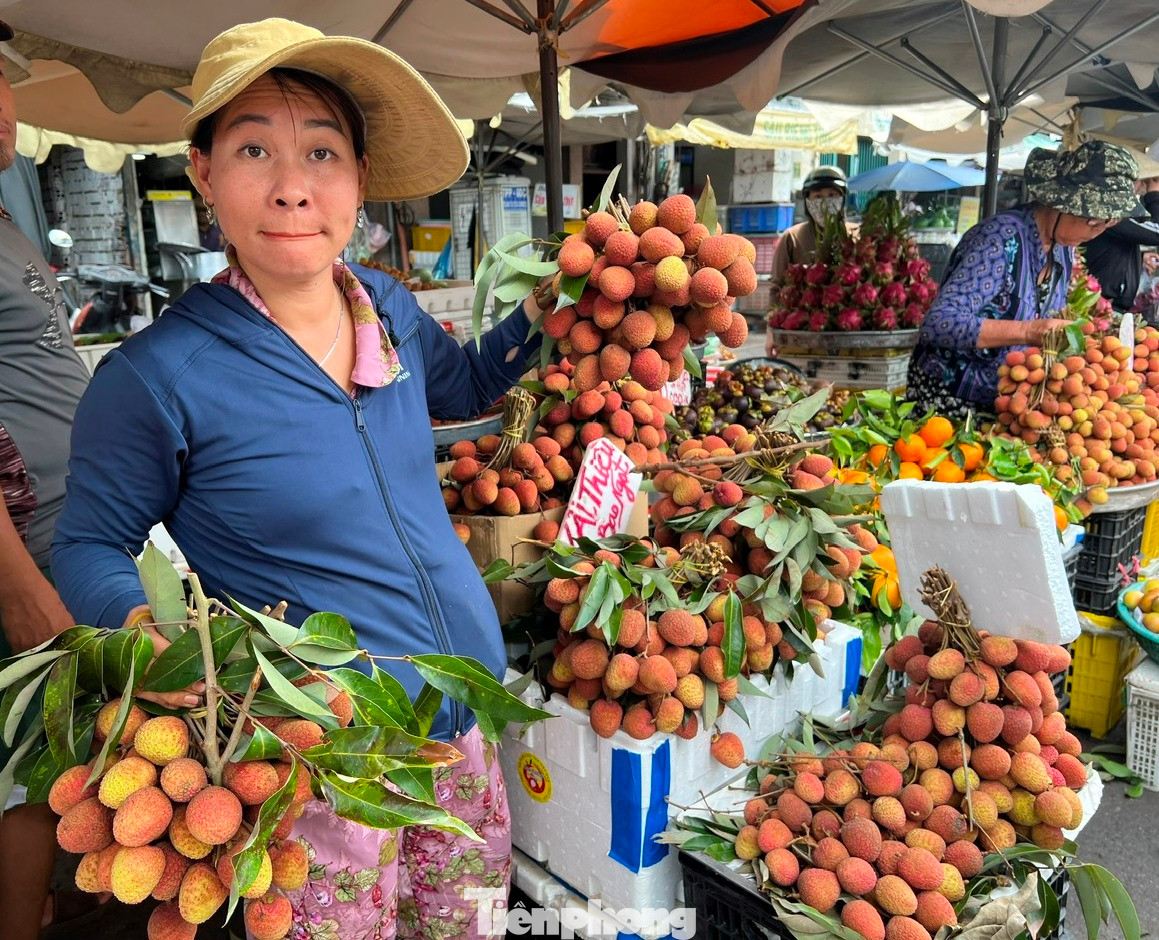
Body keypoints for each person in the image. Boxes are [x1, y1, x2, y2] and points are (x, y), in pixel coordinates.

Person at [51, 19, 549, 939]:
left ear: (358, 180)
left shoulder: (387, 306)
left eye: (322, 152)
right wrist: (151, 645)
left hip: (464, 717)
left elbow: (467, 384)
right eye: (253, 150)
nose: (291, 186)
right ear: (202, 171)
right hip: (326, 760)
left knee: (467, 927)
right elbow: (85, 542)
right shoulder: (157, 376)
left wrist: (550, 312)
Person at [0, 18, 92, 939]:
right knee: (27, 767)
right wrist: (17, 584)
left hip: (64, 526)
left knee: (59, 750)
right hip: (20, 542)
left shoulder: (5, 219)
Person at [907, 140, 1143, 418]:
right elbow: (940, 324)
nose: (1097, 232)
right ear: (1061, 203)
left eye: (1108, 224)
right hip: (946, 403)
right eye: (1094, 221)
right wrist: (1028, 331)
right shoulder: (999, 239)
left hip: (1004, 404)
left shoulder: (1062, 250)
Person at [765, 166, 854, 356]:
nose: (825, 202)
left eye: (832, 195)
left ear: (843, 199)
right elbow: (777, 287)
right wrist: (771, 331)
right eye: (818, 196)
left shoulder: (855, 238)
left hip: (848, 332)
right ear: (807, 200)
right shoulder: (792, 238)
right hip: (800, 332)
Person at [1082, 176, 1159, 312]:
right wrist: (1153, 195)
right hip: (1099, 302)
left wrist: (1139, 258)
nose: (1141, 185)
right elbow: (1155, 232)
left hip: (1109, 302)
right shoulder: (1109, 211)